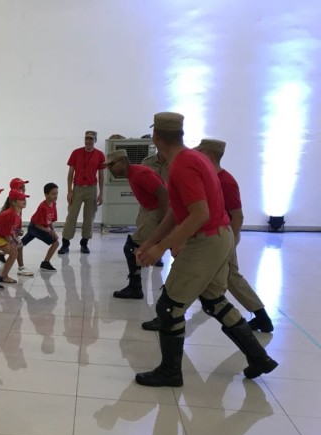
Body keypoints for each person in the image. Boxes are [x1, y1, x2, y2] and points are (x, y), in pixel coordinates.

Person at [134, 112, 277, 387]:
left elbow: (199, 214)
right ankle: (259, 358)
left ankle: (170, 372)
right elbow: (178, 210)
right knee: (214, 301)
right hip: (220, 236)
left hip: (206, 240)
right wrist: (152, 241)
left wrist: (161, 247)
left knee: (169, 306)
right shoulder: (192, 159)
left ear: (156, 137)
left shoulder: (183, 165)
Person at [195, 138, 273, 332]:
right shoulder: (209, 178)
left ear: (209, 155)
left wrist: (231, 241)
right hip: (212, 236)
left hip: (224, 236)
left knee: (232, 278)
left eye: (200, 151)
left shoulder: (226, 181)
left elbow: (237, 215)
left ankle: (261, 317)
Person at [104, 149, 169, 299]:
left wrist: (164, 221)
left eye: (111, 164)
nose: (109, 169)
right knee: (136, 247)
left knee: (131, 247)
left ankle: (135, 288)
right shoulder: (134, 173)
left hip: (157, 212)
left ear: (122, 162)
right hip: (150, 210)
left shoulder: (139, 174)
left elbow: (164, 194)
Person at [59, 130, 106, 254]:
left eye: (91, 139)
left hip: (91, 188)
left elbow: (101, 175)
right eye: (87, 138)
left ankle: (84, 243)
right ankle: (65, 243)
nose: (88, 141)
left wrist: (101, 193)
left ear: (95, 140)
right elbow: (70, 174)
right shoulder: (76, 153)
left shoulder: (100, 155)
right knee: (71, 216)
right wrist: (69, 191)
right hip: (78, 188)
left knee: (89, 217)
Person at [0, 190, 29, 283]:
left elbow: (11, 230)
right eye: (21, 199)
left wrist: (15, 238)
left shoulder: (17, 213)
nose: (24, 201)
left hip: (0, 236)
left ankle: (0, 276)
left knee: (12, 252)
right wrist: (12, 242)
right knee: (13, 252)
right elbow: (5, 233)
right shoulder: (8, 214)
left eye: (24, 199)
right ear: (14, 202)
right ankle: (2, 276)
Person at [21, 182, 60, 272]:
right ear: (46, 194)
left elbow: (50, 220)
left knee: (22, 243)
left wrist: (53, 230)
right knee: (56, 243)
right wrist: (49, 231)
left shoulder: (53, 204)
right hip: (35, 227)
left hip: (39, 227)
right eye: (53, 194)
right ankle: (45, 263)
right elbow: (37, 224)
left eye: (57, 193)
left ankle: (2, 254)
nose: (56, 196)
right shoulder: (43, 207)